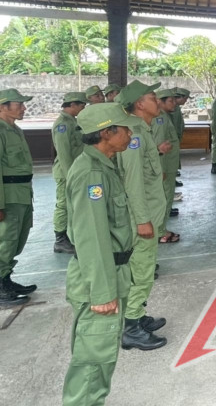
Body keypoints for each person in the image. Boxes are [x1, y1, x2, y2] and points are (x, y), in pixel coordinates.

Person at [61, 103, 137, 405]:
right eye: (125, 127)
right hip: (100, 279)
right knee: (93, 361)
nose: (130, 132)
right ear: (106, 132)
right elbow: (91, 237)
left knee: (101, 357)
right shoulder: (91, 173)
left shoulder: (104, 165)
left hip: (113, 271)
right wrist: (103, 293)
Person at [114, 81, 169, 350]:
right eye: (152, 97)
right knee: (141, 270)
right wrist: (142, 219)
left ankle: (135, 315)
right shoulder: (133, 135)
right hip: (142, 216)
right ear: (139, 104)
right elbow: (133, 182)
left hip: (150, 212)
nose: (157, 101)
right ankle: (131, 326)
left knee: (143, 268)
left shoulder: (142, 131)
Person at [0, 88, 36, 306]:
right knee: (5, 240)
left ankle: (6, 279)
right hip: (8, 195)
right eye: (19, 104)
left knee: (17, 239)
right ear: (3, 106)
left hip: (22, 193)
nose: (24, 108)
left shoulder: (15, 129)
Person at [51, 92, 88, 254]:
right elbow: (64, 153)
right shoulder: (63, 125)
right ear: (72, 105)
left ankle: (73, 235)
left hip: (76, 170)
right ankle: (60, 239)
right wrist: (70, 176)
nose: (83, 108)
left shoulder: (73, 122)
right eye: (82, 105)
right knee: (63, 205)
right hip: (67, 172)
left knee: (74, 204)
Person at [151, 89, 181, 243]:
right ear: (160, 102)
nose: (174, 103)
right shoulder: (160, 119)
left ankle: (160, 228)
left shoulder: (164, 116)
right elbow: (159, 146)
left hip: (169, 165)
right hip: (165, 167)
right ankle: (160, 231)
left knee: (167, 198)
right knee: (163, 199)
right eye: (170, 100)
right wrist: (160, 169)